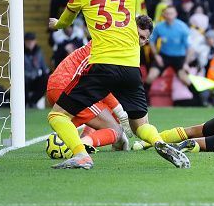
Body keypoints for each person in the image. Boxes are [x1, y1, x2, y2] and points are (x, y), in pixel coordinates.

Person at [48, 0, 214, 169]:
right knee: (140, 126)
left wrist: (58, 26)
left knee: (57, 116)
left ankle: (81, 154)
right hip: (131, 68)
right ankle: (159, 141)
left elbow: (67, 19)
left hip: (102, 65)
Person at [46, 15, 155, 151]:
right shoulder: (116, 47)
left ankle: (84, 141)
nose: (138, 39)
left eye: (142, 38)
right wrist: (121, 113)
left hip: (63, 84)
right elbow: (98, 80)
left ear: (146, 41)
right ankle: (80, 146)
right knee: (115, 130)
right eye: (136, 34)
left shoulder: (123, 48)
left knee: (110, 116)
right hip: (67, 85)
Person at [146, 5, 191, 88]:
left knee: (186, 80)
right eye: (167, 14)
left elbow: (190, 48)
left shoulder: (183, 28)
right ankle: (143, 99)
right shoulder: (159, 27)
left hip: (179, 57)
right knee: (150, 77)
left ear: (176, 14)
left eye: (171, 13)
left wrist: (186, 63)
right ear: (164, 15)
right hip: (164, 56)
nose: (169, 16)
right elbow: (151, 41)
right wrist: (156, 55)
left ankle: (199, 100)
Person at [24, 32, 49, 108]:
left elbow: (44, 67)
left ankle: (33, 101)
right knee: (23, 79)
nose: (30, 43)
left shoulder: (38, 52)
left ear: (35, 41)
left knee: (46, 79)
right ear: (25, 42)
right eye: (28, 41)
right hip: (25, 80)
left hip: (36, 79)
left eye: (32, 41)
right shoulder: (20, 52)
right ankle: (26, 102)